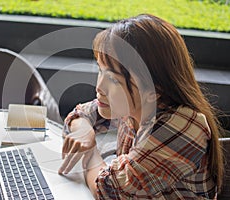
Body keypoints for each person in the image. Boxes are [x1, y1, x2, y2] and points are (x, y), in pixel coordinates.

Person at [58, 14, 224, 199]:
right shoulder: (132, 105)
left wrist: (89, 152)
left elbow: (109, 191)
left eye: (113, 79)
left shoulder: (184, 123)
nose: (99, 87)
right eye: (100, 70)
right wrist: (84, 132)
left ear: (155, 88)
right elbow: (81, 114)